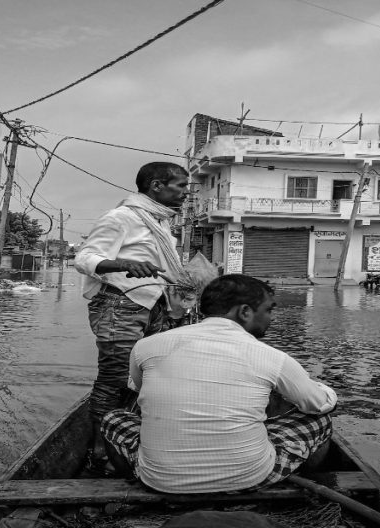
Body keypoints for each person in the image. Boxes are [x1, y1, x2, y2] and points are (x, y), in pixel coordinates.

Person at [100, 274, 338, 493]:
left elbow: (139, 389)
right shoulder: (272, 357)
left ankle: (133, 479)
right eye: (268, 310)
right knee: (320, 418)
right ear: (245, 312)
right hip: (250, 477)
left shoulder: (146, 346)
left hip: (160, 480)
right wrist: (325, 391)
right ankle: (301, 482)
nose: (271, 318)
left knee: (113, 419)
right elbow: (317, 405)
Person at [74, 161, 190, 468]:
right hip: (119, 306)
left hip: (152, 306)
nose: (186, 193)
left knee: (146, 376)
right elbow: (85, 258)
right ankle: (100, 450)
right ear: (156, 186)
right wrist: (123, 264)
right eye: (180, 186)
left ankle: (127, 438)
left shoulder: (160, 222)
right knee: (114, 380)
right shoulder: (122, 217)